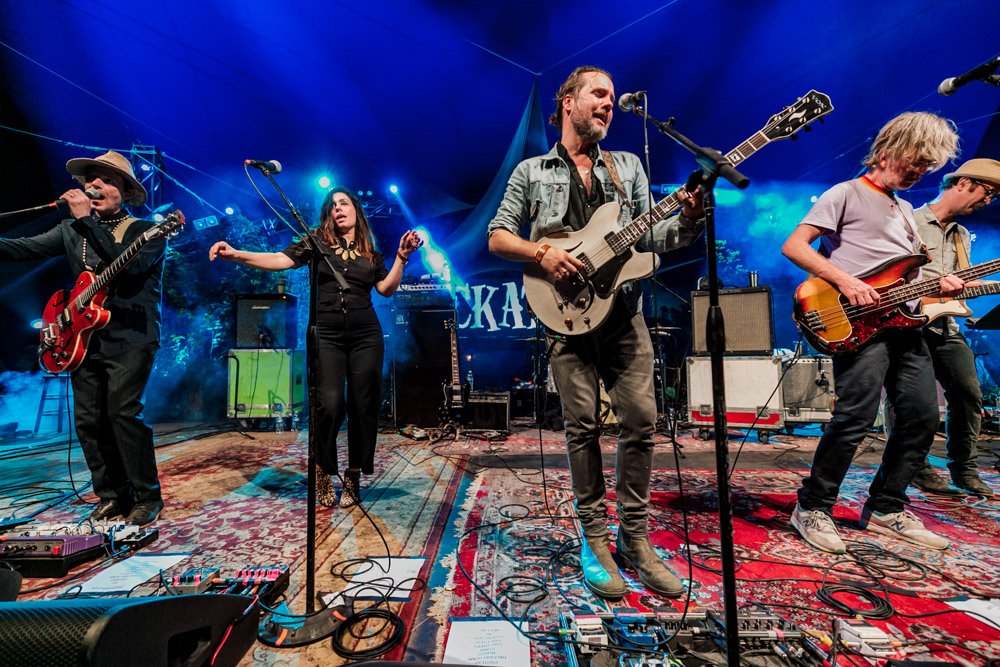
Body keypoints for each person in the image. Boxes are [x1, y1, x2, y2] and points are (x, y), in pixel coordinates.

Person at [488, 66, 705, 600]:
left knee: (642, 422)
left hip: (625, 313)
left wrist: (690, 218)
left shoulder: (627, 166)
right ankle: (595, 539)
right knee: (582, 427)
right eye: (598, 94)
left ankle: (635, 538)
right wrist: (542, 251)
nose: (609, 103)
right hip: (565, 316)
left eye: (611, 97)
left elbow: (652, 236)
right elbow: (497, 236)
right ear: (568, 102)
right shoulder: (532, 171)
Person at [782, 112, 966, 554]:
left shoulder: (904, 210)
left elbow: (901, 279)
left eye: (927, 165)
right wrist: (846, 282)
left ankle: (886, 506)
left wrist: (939, 287)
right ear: (885, 154)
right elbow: (794, 246)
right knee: (855, 418)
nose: (920, 171)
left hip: (906, 325)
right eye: (914, 161)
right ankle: (812, 506)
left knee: (923, 416)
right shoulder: (845, 193)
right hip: (857, 323)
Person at [209, 187, 421, 508]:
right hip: (327, 334)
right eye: (333, 205)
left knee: (364, 406)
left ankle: (353, 475)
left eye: (344, 203)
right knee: (330, 405)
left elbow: (385, 289)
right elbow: (280, 259)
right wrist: (236, 254)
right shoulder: (316, 242)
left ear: (356, 210)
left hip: (366, 334)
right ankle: (323, 469)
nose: (338, 209)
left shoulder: (371, 255)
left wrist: (402, 258)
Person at [0, 151, 166, 525]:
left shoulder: (146, 231)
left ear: (126, 191)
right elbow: (22, 248)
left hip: (132, 336)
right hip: (82, 338)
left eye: (106, 180)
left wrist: (87, 221)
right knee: (89, 421)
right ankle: (112, 495)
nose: (95, 185)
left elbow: (132, 268)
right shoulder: (71, 230)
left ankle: (147, 496)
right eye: (90, 180)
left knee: (123, 413)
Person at [909, 159, 1000, 498]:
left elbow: (961, 283)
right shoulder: (909, 221)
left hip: (945, 324)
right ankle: (914, 466)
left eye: (993, 197)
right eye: (987, 192)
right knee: (913, 402)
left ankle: (964, 470)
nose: (988, 201)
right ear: (962, 183)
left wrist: (992, 286)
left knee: (968, 393)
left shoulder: (962, 235)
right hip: (907, 322)